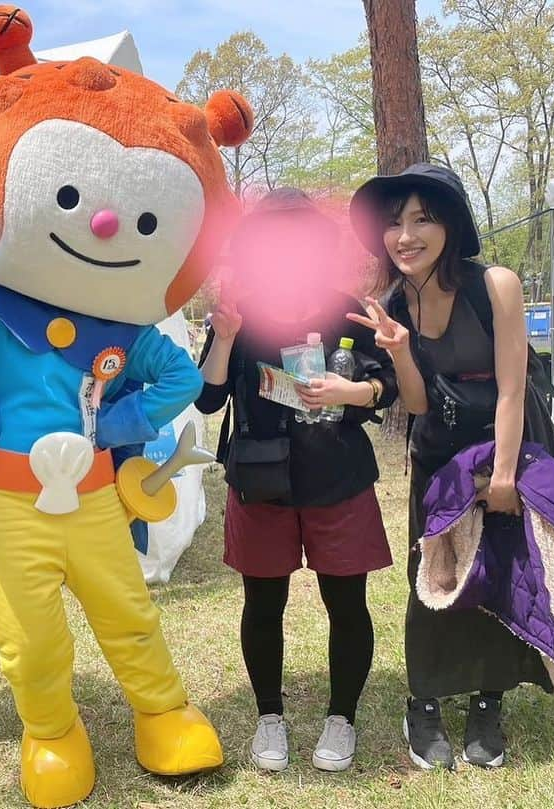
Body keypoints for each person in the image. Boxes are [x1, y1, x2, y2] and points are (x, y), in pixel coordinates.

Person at [348, 163, 547, 770]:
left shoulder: (497, 285)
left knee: (501, 569)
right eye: (394, 223)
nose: (404, 235)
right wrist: (401, 351)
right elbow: (414, 403)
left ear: (451, 224)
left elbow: (514, 389)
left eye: (422, 219)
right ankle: (425, 698)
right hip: (438, 452)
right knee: (431, 572)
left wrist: (507, 476)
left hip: (507, 440)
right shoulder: (392, 303)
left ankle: (490, 700)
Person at [195, 188, 397, 774]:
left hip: (338, 476)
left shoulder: (345, 309)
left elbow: (385, 387)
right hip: (261, 481)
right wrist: (227, 335)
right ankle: (269, 717)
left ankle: (342, 717)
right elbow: (209, 397)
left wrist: (350, 391)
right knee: (263, 601)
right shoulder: (239, 309)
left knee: (347, 603)